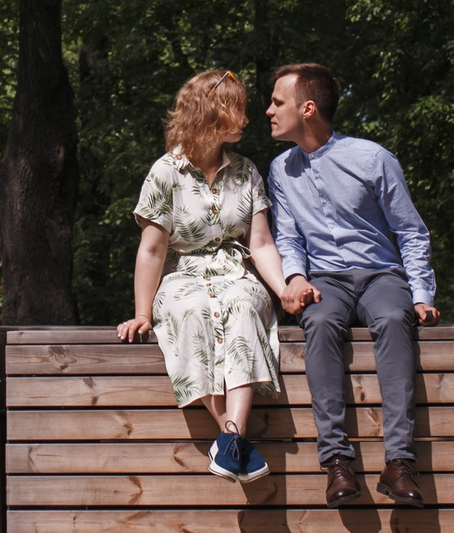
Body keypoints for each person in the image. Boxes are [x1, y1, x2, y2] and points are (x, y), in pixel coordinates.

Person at [116, 70, 315, 482]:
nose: (245, 120)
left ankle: (230, 438)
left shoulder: (246, 172)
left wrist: (282, 291)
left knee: (244, 302)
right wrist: (141, 313)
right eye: (237, 110)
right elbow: (152, 249)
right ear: (211, 113)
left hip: (235, 271)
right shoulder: (165, 173)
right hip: (182, 274)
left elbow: (260, 244)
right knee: (190, 309)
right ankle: (235, 442)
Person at [264, 61, 439, 508]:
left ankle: (400, 463)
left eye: (277, 102)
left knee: (393, 317)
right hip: (326, 281)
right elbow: (287, 236)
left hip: (381, 274)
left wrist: (421, 294)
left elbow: (411, 232)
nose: (268, 111)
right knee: (318, 323)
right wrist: (296, 276)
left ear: (307, 108)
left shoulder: (372, 158)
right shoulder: (280, 170)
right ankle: (337, 462)